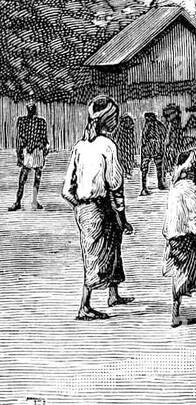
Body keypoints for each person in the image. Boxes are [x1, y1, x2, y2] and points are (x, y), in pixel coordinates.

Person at [62, 97, 135, 320]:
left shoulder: (79, 147)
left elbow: (67, 189)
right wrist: (120, 215)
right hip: (100, 207)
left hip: (90, 207)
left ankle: (113, 294)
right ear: (109, 120)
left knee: (113, 248)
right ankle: (84, 306)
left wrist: (80, 207)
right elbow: (115, 183)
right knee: (95, 254)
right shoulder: (107, 146)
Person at [163, 149, 196, 328]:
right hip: (188, 239)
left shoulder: (175, 187)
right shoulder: (190, 188)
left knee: (179, 276)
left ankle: (175, 315)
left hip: (174, 238)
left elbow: (168, 219)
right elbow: (194, 218)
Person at [9, 100, 49, 211]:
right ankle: (19, 202)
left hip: (35, 151)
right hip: (30, 150)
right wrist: (20, 153)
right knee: (25, 177)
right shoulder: (23, 121)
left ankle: (32, 201)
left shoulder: (40, 122)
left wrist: (43, 152)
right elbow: (20, 139)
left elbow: (43, 139)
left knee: (34, 177)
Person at [139, 111, 166, 194]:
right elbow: (164, 134)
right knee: (157, 167)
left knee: (146, 168)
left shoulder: (148, 125)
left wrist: (145, 145)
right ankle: (159, 184)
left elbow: (144, 137)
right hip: (156, 148)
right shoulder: (160, 125)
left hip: (149, 148)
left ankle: (145, 187)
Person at [115, 114, 137, 180]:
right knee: (128, 159)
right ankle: (128, 172)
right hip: (128, 145)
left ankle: (125, 172)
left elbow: (117, 135)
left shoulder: (121, 127)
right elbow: (132, 138)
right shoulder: (131, 127)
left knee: (122, 159)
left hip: (122, 145)